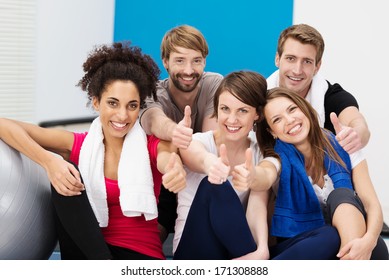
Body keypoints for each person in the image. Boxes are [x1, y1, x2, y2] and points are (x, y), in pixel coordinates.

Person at [0, 42, 187, 260]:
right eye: (113, 103)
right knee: (66, 171)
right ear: (96, 102)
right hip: (87, 253)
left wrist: (174, 169)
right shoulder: (78, 144)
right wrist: (49, 162)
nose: (123, 115)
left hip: (137, 256)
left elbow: (167, 158)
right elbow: (4, 125)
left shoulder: (151, 145)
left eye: (132, 105)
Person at [256, 87, 388, 260]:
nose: (289, 120)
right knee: (331, 236)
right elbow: (266, 173)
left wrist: (369, 241)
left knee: (376, 245)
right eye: (277, 119)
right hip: (309, 244)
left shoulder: (344, 144)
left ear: (304, 107)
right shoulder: (277, 160)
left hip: (347, 240)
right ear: (272, 132)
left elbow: (372, 205)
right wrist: (252, 176)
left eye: (292, 109)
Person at [173, 71, 280, 259]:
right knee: (213, 185)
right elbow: (195, 154)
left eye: (243, 111)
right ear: (216, 109)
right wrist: (211, 164)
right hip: (192, 252)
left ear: (257, 114)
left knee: (325, 237)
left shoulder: (261, 152)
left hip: (234, 253)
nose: (232, 119)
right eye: (225, 109)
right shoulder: (197, 142)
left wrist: (262, 250)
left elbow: (259, 200)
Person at [139, 24, 223, 241]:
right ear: (165, 61)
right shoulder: (152, 90)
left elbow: (211, 141)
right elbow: (152, 119)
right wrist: (174, 131)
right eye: (180, 60)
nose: (188, 70)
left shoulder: (214, 83)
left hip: (202, 173)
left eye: (196, 60)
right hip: (164, 178)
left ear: (204, 61)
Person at [267, 23, 370, 154]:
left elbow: (357, 123)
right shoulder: (258, 96)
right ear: (277, 59)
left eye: (307, 61)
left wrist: (356, 135)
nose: (297, 70)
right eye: (291, 59)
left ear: (317, 66)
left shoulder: (332, 96)